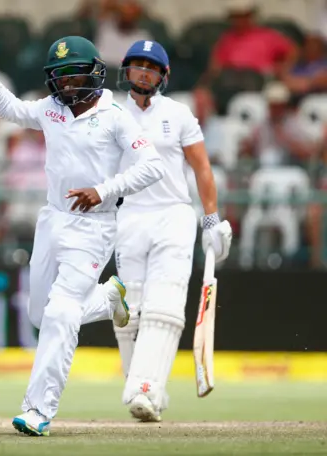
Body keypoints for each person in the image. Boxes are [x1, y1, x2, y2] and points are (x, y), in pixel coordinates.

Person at [0, 34, 165, 436]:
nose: (66, 85)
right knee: (42, 315)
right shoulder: (52, 108)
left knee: (60, 313)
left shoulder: (116, 115)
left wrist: (103, 190)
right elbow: (12, 110)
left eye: (74, 76)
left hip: (94, 226)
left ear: (94, 74)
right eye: (59, 77)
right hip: (52, 220)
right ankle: (109, 298)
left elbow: (153, 166)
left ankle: (38, 410)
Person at [113, 40, 233, 422]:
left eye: (151, 67)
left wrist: (211, 218)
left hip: (173, 215)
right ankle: (146, 388)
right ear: (127, 71)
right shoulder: (111, 113)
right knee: (129, 312)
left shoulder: (179, 114)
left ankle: (145, 388)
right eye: (137, 66)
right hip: (129, 215)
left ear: (163, 75)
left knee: (164, 304)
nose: (143, 72)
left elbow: (201, 168)